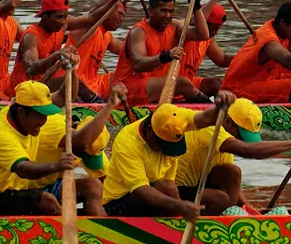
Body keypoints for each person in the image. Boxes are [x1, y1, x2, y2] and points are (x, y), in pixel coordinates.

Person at [101, 92, 237, 218]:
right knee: (167, 187)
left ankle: (193, 229)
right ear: (150, 131)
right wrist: (179, 206)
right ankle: (176, 227)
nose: (166, 153)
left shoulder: (175, 117)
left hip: (163, 189)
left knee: (220, 200)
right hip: (121, 200)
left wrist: (220, 106)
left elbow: (206, 118)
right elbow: (141, 191)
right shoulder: (127, 143)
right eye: (163, 146)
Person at [0, 81, 76, 216]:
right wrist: (56, 166)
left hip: (12, 191)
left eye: (46, 114)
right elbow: (23, 169)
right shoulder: (2, 135)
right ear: (21, 111)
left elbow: (64, 96)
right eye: (39, 115)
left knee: (88, 186)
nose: (44, 121)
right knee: (47, 202)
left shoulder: (15, 112)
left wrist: (72, 68)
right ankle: (78, 233)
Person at [177, 97, 291, 212]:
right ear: (227, 120)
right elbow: (248, 150)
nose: (241, 139)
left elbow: (233, 185)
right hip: (173, 190)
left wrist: (252, 212)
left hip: (195, 187)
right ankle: (219, 220)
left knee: (232, 171)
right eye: (241, 134)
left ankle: (232, 216)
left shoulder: (224, 142)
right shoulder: (210, 127)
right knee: (220, 199)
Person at [27, 81, 121, 217]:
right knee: (50, 202)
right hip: (31, 184)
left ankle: (100, 227)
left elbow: (103, 191)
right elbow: (65, 94)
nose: (81, 158)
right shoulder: (55, 130)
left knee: (93, 187)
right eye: (82, 153)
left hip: (56, 183)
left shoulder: (100, 156)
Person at [114, 0, 213, 105]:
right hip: (129, 89)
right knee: (181, 83)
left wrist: (196, 5)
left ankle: (212, 111)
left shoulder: (174, 26)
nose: (168, 16)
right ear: (150, 11)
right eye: (163, 11)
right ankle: (213, 113)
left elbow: (203, 35)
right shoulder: (139, 32)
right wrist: (166, 56)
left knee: (214, 83)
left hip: (156, 86)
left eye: (171, 11)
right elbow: (138, 64)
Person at [7, 0, 111, 98]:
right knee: (73, 83)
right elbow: (30, 70)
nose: (62, 21)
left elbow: (92, 18)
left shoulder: (63, 25)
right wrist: (57, 55)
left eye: (65, 17)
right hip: (24, 89)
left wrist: (114, 1)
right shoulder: (31, 36)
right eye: (59, 17)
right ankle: (97, 106)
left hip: (43, 84)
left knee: (74, 82)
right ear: (45, 16)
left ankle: (96, 105)